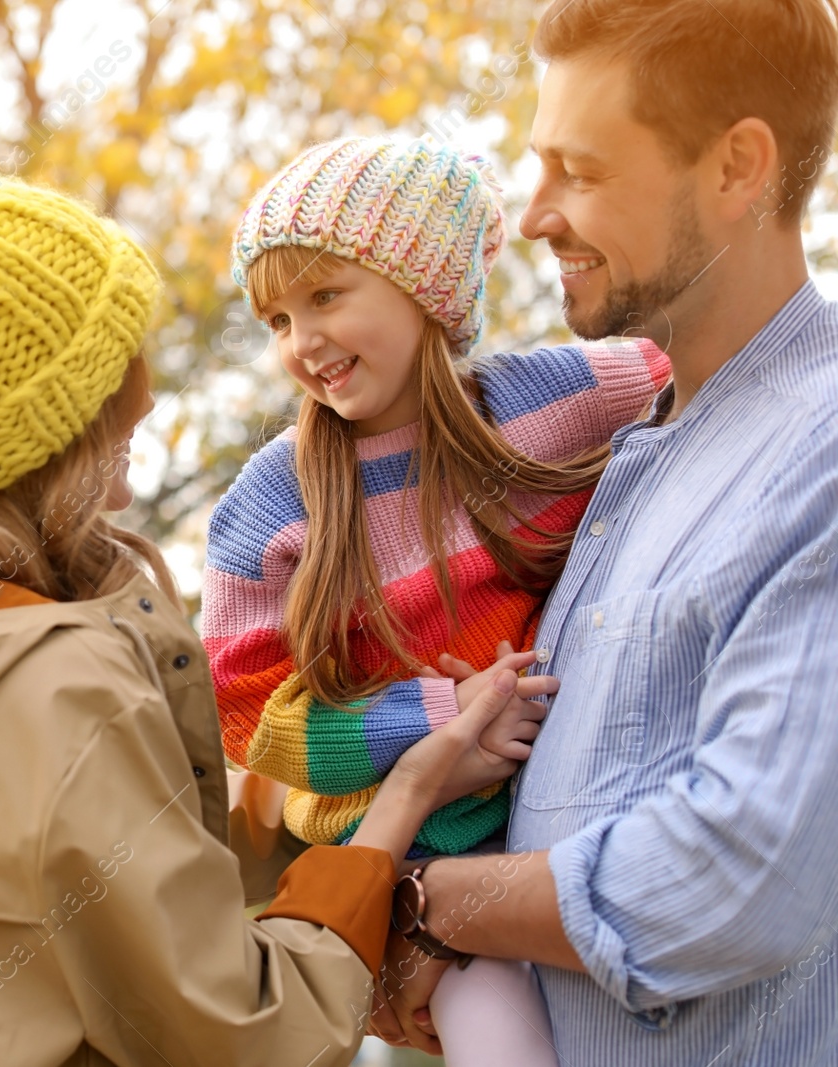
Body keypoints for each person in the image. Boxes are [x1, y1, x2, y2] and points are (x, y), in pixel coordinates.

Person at [0, 167, 526, 1065]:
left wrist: (336, 774)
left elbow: (114, 854)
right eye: (118, 358)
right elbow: (248, 1032)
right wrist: (399, 804)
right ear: (50, 422)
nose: (149, 394)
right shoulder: (57, 690)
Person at [370, 1, 838, 1063]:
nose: (532, 216)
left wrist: (415, 900)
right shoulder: (625, 446)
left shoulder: (823, 445)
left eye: (578, 171)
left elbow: (749, 872)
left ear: (736, 169)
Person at [204, 135, 669, 1066]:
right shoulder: (272, 503)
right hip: (420, 846)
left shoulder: (553, 399)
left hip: (576, 804)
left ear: (426, 290)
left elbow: (700, 373)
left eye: (326, 297)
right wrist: (435, 717)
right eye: (278, 321)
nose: (303, 343)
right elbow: (246, 709)